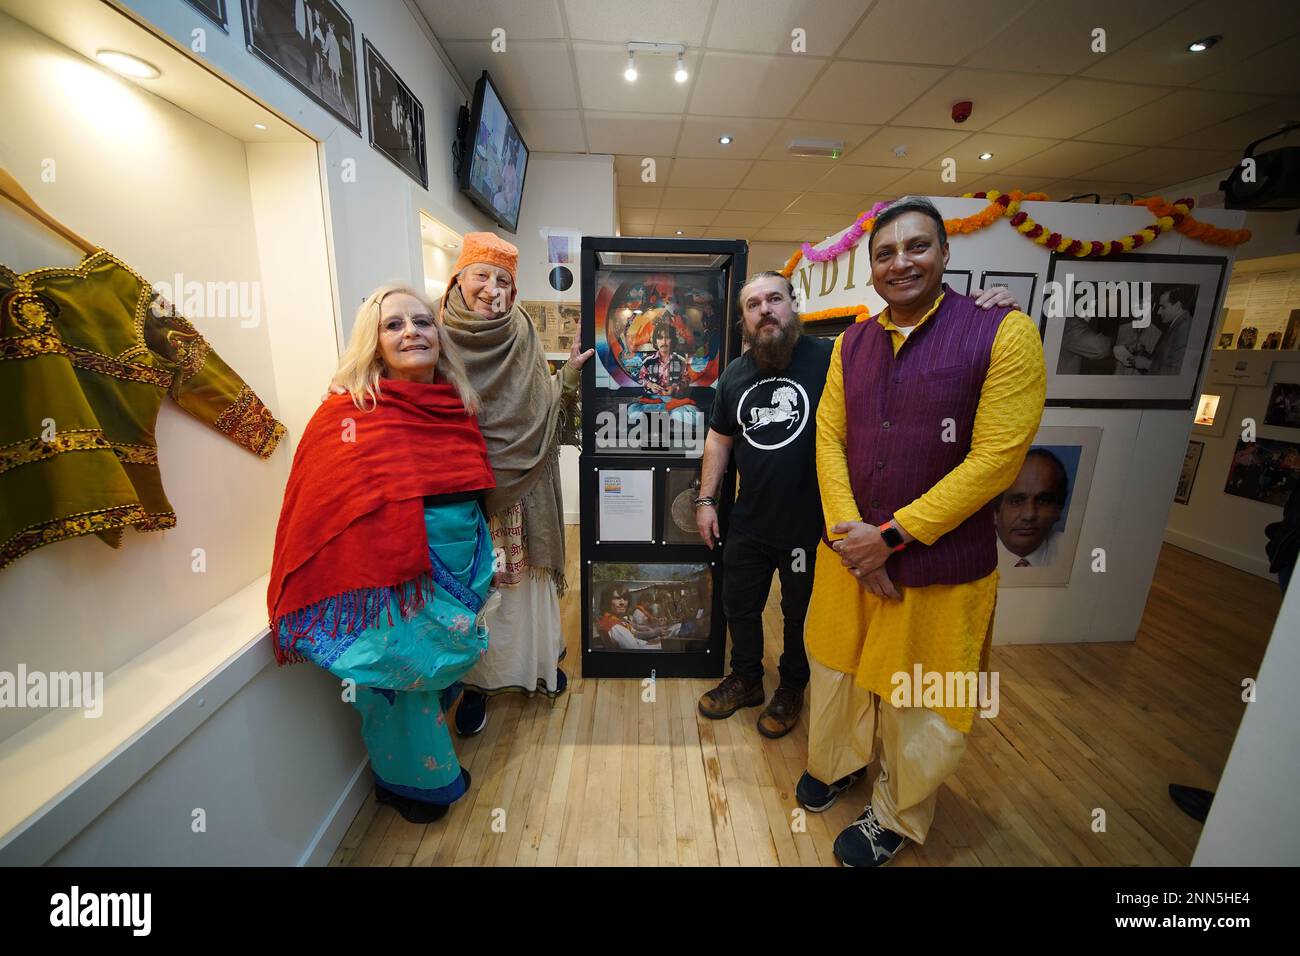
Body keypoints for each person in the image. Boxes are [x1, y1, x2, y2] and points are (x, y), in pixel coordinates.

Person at [797, 196, 1046, 866]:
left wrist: (894, 538)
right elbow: (828, 439)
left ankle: (897, 818)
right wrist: (857, 542)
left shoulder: (1002, 332)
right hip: (848, 558)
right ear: (871, 267)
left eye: (917, 247)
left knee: (923, 703)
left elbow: (996, 460)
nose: (900, 262)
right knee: (837, 670)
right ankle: (841, 762)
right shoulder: (852, 342)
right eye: (885, 253)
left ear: (945, 253)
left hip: (942, 569)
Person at [695, 269, 1022, 740]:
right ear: (744, 320)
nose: (765, 310)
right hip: (747, 520)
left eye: (775, 299)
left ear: (793, 304)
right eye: (753, 304)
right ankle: (746, 677)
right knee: (739, 606)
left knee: (799, 616)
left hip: (818, 527)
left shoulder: (836, 357)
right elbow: (719, 440)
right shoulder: (734, 375)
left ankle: (791, 687)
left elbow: (908, 358)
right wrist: (707, 499)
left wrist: (971, 316)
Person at [269, 284, 495, 824]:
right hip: (394, 575)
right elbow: (323, 503)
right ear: (373, 342)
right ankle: (416, 785)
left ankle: (420, 771)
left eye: (422, 321)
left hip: (461, 558)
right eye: (394, 325)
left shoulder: (456, 403)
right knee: (402, 679)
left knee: (436, 674)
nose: (412, 332)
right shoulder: (347, 414)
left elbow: (473, 489)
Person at [430, 233, 591, 733]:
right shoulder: (432, 334)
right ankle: (479, 685)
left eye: (504, 280)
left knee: (527, 591)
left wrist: (565, 378)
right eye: (482, 275)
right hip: (467, 497)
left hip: (527, 489)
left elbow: (535, 400)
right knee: (482, 593)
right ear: (459, 277)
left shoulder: (520, 328)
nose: (492, 289)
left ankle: (538, 667)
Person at [994, 449, 1068, 567]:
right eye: (1016, 501)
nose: (1029, 515)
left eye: (1043, 501)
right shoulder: (968, 555)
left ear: (1058, 510)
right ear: (994, 512)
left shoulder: (1076, 552)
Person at [596, 584, 662, 650]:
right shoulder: (615, 626)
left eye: (625, 599)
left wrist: (653, 642)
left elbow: (635, 640)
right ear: (607, 601)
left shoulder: (616, 620)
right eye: (617, 598)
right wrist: (660, 645)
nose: (622, 603)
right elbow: (635, 650)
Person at [1149, 285, 1196, 375]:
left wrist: (1147, 365)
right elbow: (1166, 359)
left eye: (1163, 307)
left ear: (1178, 306)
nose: (1158, 312)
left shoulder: (1185, 327)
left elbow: (1175, 371)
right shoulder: (1177, 325)